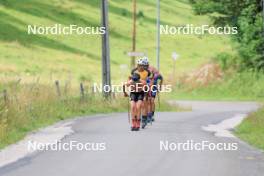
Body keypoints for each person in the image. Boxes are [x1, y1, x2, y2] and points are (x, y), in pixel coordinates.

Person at [142, 57, 163, 122]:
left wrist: (160, 86)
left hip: (153, 86)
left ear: (148, 64)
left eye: (146, 65)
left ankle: (151, 115)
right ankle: (146, 114)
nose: (145, 66)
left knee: (152, 100)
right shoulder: (141, 69)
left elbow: (160, 77)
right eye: (144, 65)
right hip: (145, 86)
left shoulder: (152, 69)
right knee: (146, 101)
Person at [131, 58, 151, 129]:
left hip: (144, 89)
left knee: (145, 103)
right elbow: (131, 79)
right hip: (135, 90)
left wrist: (148, 87)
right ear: (138, 65)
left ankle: (144, 118)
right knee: (136, 106)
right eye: (140, 65)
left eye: (143, 65)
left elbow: (149, 80)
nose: (142, 67)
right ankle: (136, 119)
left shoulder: (147, 72)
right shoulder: (133, 71)